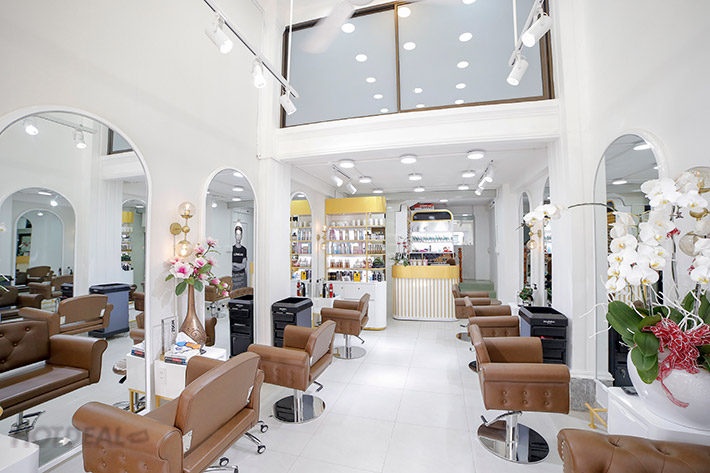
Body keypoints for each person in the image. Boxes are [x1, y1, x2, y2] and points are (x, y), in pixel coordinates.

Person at [232, 224, 248, 289]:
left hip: (242, 277)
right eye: (237, 234)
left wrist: (234, 264)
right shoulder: (232, 249)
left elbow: (243, 265)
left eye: (240, 234)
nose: (238, 237)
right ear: (235, 235)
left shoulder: (244, 249)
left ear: (241, 236)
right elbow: (230, 266)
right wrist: (238, 265)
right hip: (233, 277)